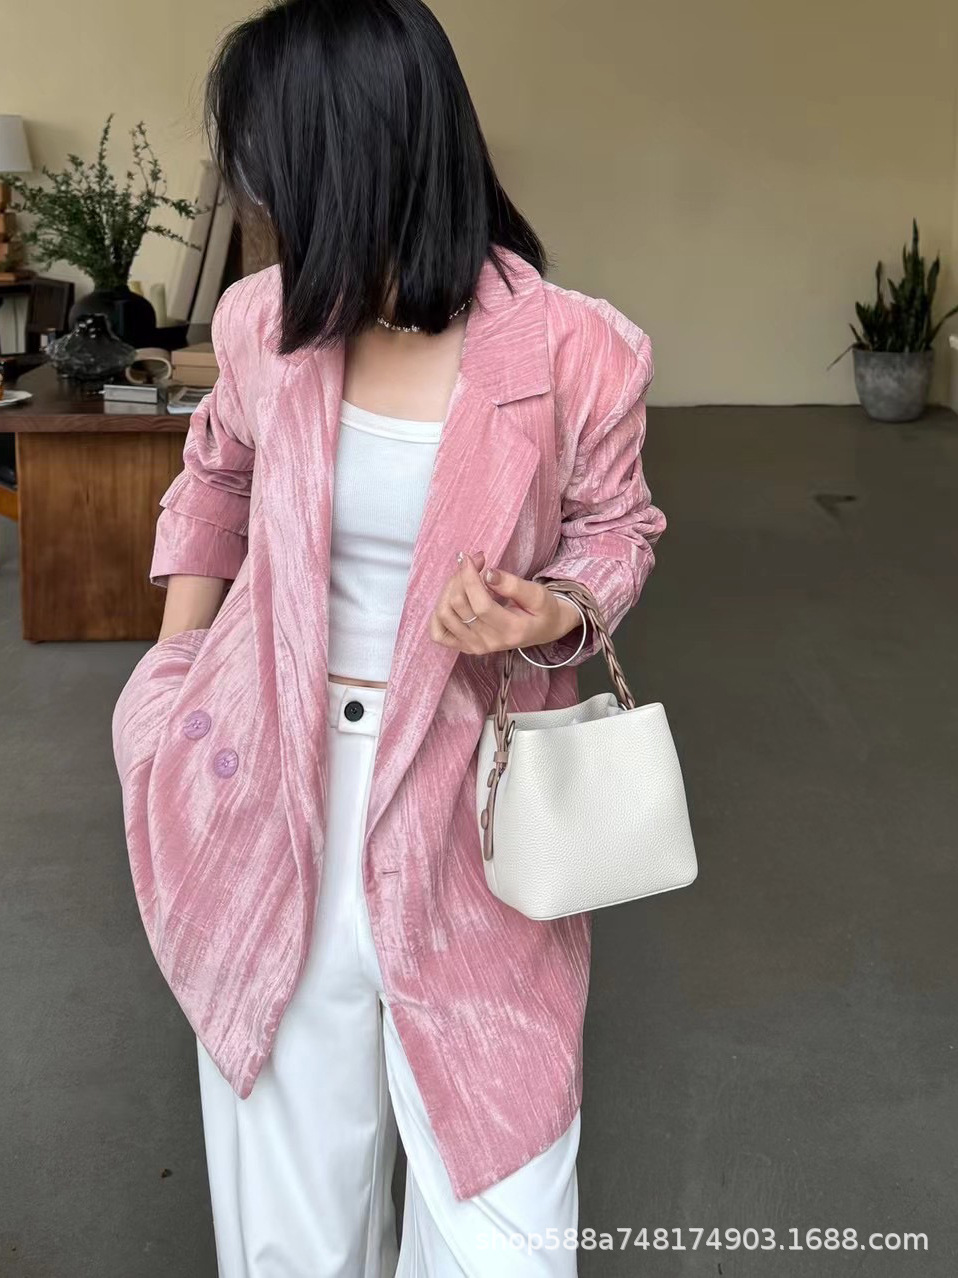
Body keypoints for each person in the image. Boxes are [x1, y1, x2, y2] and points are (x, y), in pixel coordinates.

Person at [111, 0, 667, 1273]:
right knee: (288, 1235)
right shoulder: (263, 322)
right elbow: (214, 476)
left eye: (269, 168)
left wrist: (551, 609)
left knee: (502, 1230)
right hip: (267, 784)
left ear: (351, 156)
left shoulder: (578, 348)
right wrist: (168, 677)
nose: (256, 199)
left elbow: (617, 530)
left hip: (470, 805)